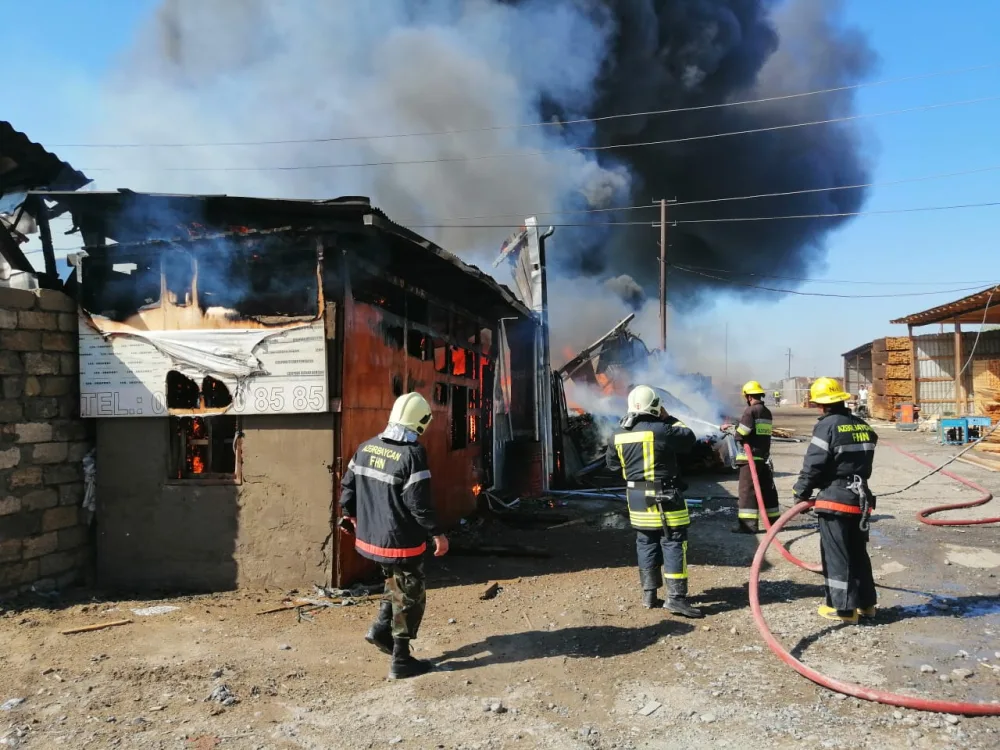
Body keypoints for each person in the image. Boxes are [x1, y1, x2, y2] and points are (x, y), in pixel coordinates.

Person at [339, 392, 450, 679]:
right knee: (410, 594)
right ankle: (401, 660)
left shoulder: (366, 448)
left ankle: (379, 630)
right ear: (421, 422)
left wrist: (348, 514)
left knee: (394, 582)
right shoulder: (412, 455)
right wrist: (437, 533)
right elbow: (419, 503)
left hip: (372, 538)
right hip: (401, 540)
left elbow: (348, 486)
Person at [606, 385, 702, 618]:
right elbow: (689, 438)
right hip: (665, 496)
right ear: (656, 406)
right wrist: (669, 418)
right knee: (673, 541)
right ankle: (676, 599)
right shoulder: (663, 429)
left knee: (646, 541)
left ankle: (649, 594)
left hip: (637, 497)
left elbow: (612, 466)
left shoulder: (617, 434)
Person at [792, 377, 878, 624]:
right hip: (860, 499)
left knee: (836, 554)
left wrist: (801, 491)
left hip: (835, 497)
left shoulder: (827, 426)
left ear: (821, 404)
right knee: (858, 552)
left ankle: (842, 609)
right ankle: (866, 605)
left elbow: (814, 464)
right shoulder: (862, 425)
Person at [725, 380, 779, 534]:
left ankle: (748, 525)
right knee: (767, 490)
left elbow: (743, 432)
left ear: (748, 396)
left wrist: (732, 430)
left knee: (746, 492)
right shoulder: (766, 411)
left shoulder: (750, 411)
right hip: (763, 457)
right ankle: (774, 521)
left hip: (750, 459)